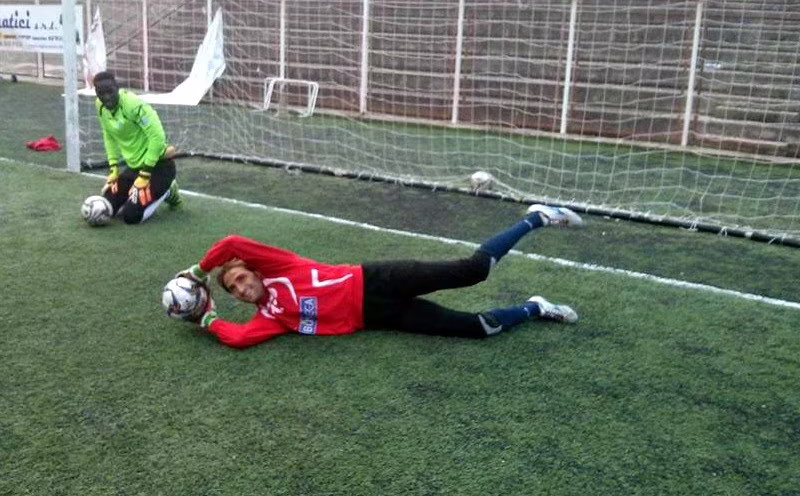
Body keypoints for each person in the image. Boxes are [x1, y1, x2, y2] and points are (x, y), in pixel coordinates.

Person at [176, 204, 584, 349]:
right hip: (381, 317)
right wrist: (207, 317)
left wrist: (199, 272)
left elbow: (231, 243)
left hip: (378, 279)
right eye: (235, 289)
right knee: (479, 329)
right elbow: (239, 338)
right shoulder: (272, 318)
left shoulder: (280, 267)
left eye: (242, 277)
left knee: (474, 270)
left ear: (253, 270)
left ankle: (537, 217)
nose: (243, 287)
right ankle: (535, 307)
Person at [92, 70, 182, 224]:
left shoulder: (133, 105)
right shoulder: (100, 106)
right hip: (134, 169)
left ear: (117, 88)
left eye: (110, 92)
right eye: (101, 93)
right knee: (108, 205)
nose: (106, 97)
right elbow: (109, 135)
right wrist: (114, 168)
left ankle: (168, 191)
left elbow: (157, 138)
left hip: (158, 167)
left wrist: (145, 175)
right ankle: (140, 195)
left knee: (131, 216)